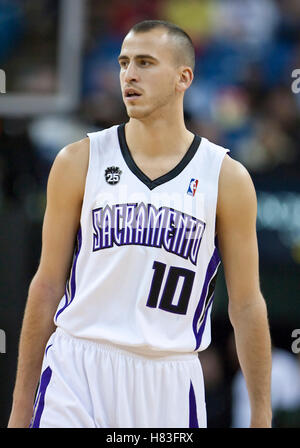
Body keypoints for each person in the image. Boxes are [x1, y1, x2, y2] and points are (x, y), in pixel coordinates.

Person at [8, 20, 272, 428]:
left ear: (184, 77)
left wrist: (261, 415)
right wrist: (21, 408)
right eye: (124, 62)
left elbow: (247, 304)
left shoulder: (227, 178)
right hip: (77, 365)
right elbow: (46, 285)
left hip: (167, 377)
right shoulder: (78, 161)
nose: (129, 74)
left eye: (145, 63)